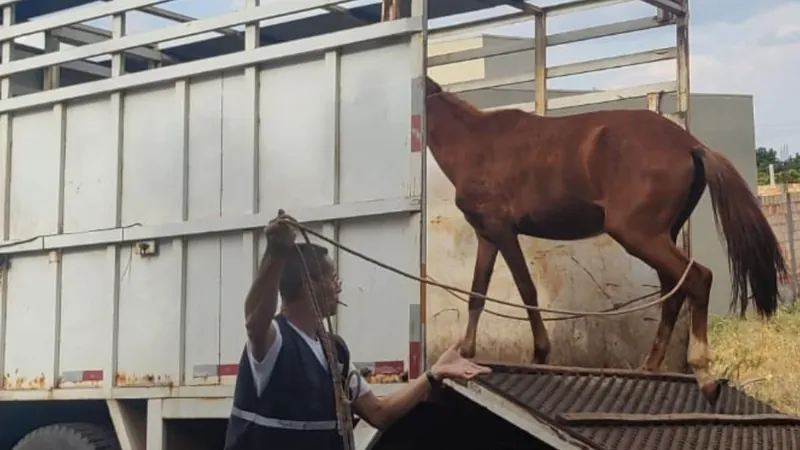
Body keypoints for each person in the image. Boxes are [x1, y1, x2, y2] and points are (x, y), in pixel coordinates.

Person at [223, 212, 491, 450]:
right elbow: (254, 320)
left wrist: (434, 373)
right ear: (309, 284)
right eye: (332, 277)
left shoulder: (334, 353)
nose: (338, 286)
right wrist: (276, 253)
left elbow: (380, 413)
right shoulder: (275, 343)